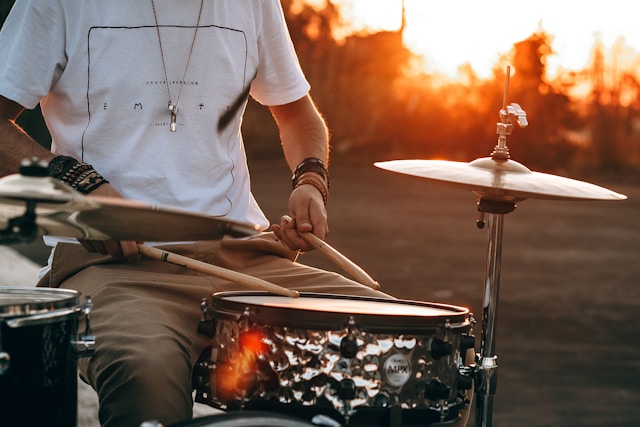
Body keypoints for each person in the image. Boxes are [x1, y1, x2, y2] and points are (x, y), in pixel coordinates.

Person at [0, 1, 391, 426]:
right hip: (115, 264)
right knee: (146, 376)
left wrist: (311, 181)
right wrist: (74, 183)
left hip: (246, 258)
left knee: (402, 347)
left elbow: (299, 116)